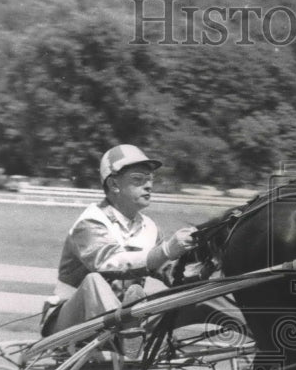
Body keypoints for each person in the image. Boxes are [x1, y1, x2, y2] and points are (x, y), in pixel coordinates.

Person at [41, 144, 196, 343]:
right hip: (67, 322)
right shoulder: (90, 222)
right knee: (94, 281)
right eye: (138, 180)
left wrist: (201, 266)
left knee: (178, 292)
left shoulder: (150, 227)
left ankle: (130, 332)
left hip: (118, 319)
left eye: (150, 179)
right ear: (114, 185)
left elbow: (171, 272)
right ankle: (127, 334)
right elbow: (110, 263)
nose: (148, 186)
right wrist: (166, 250)